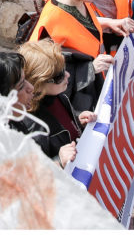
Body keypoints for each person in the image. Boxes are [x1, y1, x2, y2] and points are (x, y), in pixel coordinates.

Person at [29, 0, 134, 112]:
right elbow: (45, 76)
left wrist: (109, 22)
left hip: (89, 92)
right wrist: (91, 68)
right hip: (72, 107)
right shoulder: (52, 20)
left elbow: (80, 25)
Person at [19, 39, 97, 168]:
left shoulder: (58, 96)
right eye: (59, 76)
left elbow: (62, 124)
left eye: (64, 68)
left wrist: (78, 120)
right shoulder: (31, 125)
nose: (67, 75)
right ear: (38, 83)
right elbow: (30, 174)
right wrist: (59, 161)